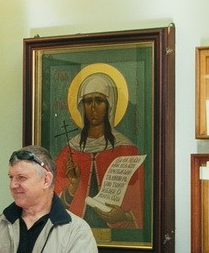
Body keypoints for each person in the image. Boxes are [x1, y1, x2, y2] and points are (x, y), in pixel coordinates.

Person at [53, 69, 144, 230]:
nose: (93, 108)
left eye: (99, 101)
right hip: (74, 232)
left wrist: (124, 215)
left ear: (110, 106)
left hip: (118, 235)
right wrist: (72, 187)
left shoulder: (127, 149)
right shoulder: (69, 151)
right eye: (88, 102)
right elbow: (51, 204)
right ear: (82, 107)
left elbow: (141, 201)